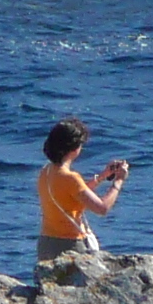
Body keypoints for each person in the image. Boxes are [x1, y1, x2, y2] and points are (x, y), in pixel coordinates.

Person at [34, 117, 127, 281]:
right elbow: (102, 208)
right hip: (70, 245)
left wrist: (102, 176)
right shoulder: (71, 178)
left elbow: (73, 196)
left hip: (46, 243)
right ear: (73, 149)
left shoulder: (45, 171)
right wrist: (118, 181)